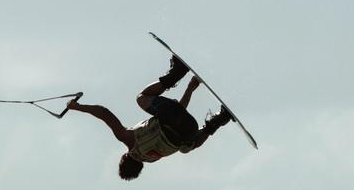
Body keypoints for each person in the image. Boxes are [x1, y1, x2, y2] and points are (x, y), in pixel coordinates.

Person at [66, 56, 233, 180]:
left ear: (140, 167)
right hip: (174, 118)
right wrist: (77, 107)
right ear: (124, 157)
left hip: (188, 128)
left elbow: (178, 120)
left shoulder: (154, 157)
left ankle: (219, 119)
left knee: (187, 147)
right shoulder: (127, 139)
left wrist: (190, 89)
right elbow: (104, 113)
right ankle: (176, 74)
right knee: (141, 98)